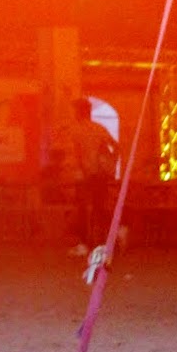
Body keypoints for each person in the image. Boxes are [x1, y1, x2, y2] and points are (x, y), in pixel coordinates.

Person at [69, 96, 119, 250]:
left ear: (79, 111)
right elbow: (116, 147)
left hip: (85, 174)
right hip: (100, 174)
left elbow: (77, 153)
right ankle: (107, 240)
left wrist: (80, 169)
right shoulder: (99, 128)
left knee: (82, 209)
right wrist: (110, 162)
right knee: (100, 208)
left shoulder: (76, 130)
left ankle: (84, 243)